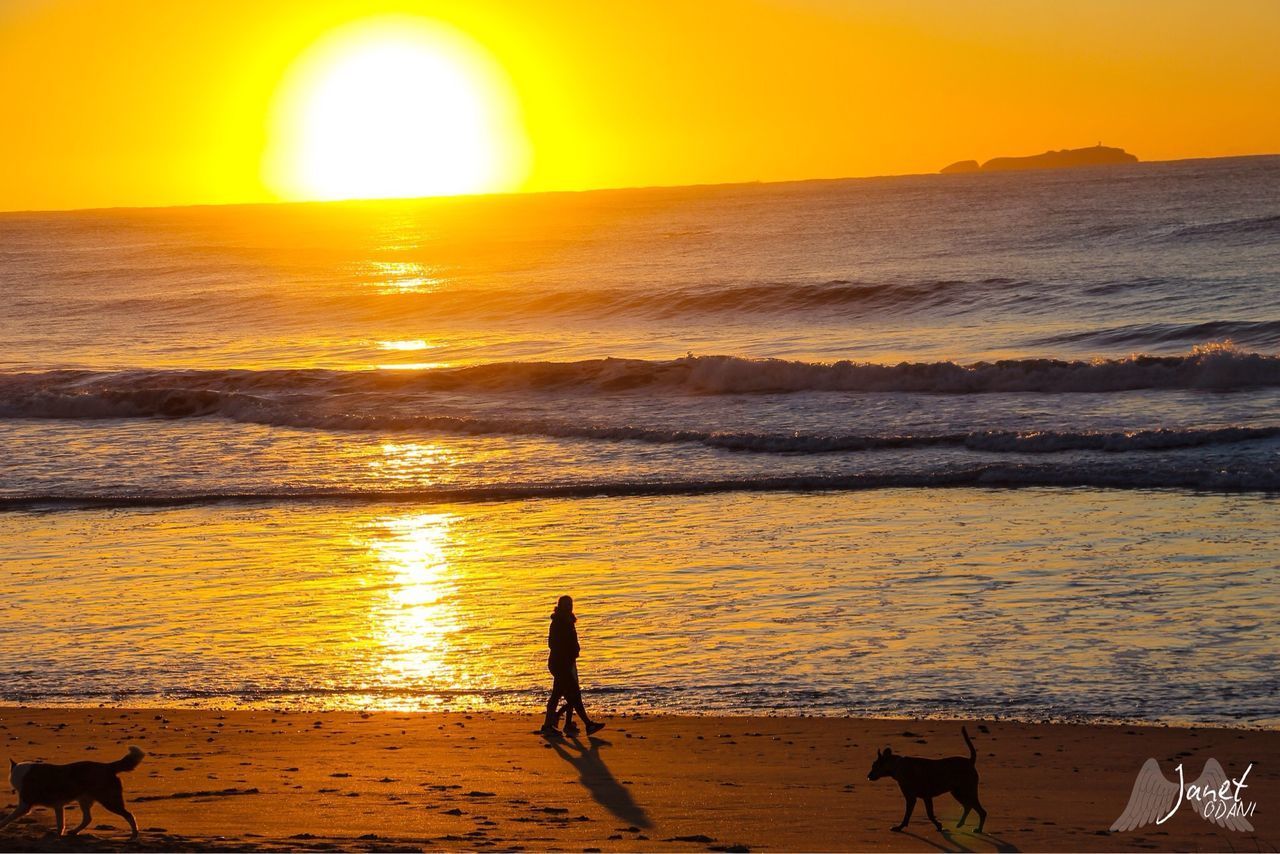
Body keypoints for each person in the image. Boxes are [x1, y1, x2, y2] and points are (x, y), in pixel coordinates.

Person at [541, 595, 604, 737]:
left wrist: (573, 653)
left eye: (570, 604)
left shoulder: (569, 620)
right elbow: (552, 644)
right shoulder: (558, 622)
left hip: (568, 662)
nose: (569, 606)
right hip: (560, 664)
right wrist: (567, 653)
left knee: (564, 694)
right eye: (566, 604)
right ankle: (586, 724)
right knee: (571, 695)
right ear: (560, 606)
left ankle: (563, 723)